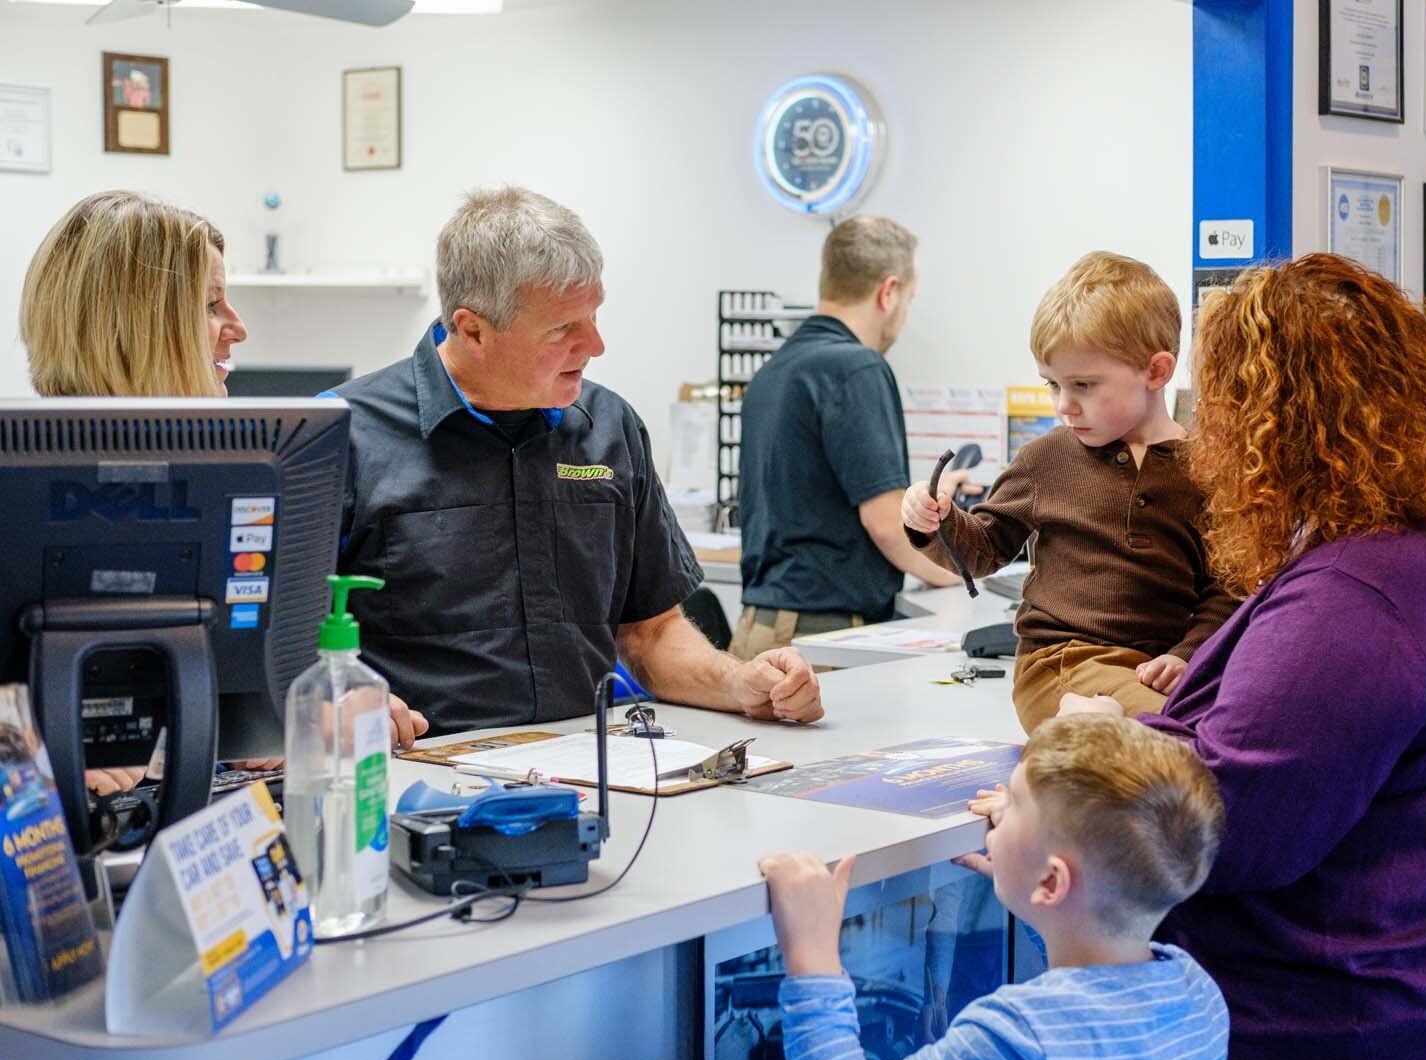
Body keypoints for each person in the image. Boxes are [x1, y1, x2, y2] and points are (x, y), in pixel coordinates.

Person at [1055, 253, 1426, 1060]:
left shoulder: (1362, 598)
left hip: (1393, 1033)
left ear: (1268, 418)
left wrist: (1095, 760)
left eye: (1220, 405)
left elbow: (1229, 827)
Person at [331, 186, 822, 734]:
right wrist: (341, 704)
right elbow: (276, 648)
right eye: (564, 328)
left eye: (594, 315)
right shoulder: (344, 436)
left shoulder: (610, 429)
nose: (596, 344)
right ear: (472, 330)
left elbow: (651, 632)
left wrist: (738, 682)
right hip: (422, 777)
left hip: (594, 773)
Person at [18, 190, 429, 796]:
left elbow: (263, 671)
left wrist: (317, 705)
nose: (238, 328)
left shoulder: (262, 471)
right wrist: (30, 757)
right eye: (211, 306)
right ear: (132, 327)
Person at [758, 712, 1228, 1060]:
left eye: (1014, 803)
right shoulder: (1199, 993)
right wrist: (1031, 897)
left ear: (1052, 883)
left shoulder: (1013, 1038)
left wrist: (813, 960)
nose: (996, 806)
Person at [902, 252, 1235, 729]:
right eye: (1052, 385)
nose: (1064, 404)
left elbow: (1226, 588)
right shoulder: (1048, 458)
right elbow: (983, 550)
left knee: (1241, 726)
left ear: (1157, 372)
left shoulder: (1208, 470)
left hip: (1161, 672)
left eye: (1083, 384)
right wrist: (936, 521)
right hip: (1062, 664)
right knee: (1180, 736)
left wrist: (1188, 654)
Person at [731, 217, 965, 662]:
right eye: (909, 300)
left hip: (761, 626)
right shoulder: (857, 367)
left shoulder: (775, 370)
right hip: (823, 633)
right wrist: (954, 571)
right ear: (889, 291)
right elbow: (886, 524)